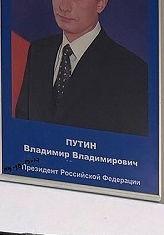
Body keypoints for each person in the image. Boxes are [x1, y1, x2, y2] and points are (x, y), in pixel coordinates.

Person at [13, 0, 148, 138]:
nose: (64, 7)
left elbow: (130, 145)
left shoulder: (131, 71)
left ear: (100, 3)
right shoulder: (38, 51)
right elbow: (23, 124)